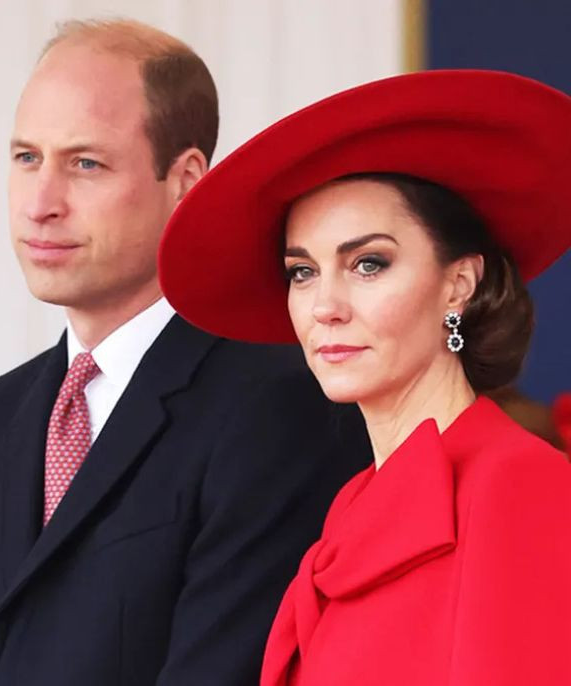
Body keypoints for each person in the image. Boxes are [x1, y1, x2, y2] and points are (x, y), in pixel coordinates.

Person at [0, 18, 369, 685]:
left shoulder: (279, 405)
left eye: (85, 164)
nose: (40, 204)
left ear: (186, 180)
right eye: (26, 157)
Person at [159, 68, 571, 685]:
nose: (326, 305)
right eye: (302, 272)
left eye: (368, 264)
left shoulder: (521, 485)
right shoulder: (354, 505)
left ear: (459, 284)